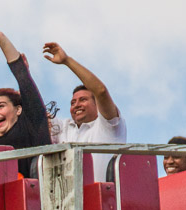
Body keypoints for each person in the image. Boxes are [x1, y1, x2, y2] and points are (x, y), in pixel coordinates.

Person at [0, 23, 52, 177]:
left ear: (18, 109)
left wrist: (1, 39)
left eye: (0, 106)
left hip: (31, 193)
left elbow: (23, 78)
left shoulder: (31, 126)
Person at [42, 41, 126, 181]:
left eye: (83, 100)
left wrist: (67, 61)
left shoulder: (109, 126)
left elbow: (101, 91)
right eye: (73, 102)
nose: (76, 105)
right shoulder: (64, 127)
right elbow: (36, 111)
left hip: (101, 199)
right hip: (65, 200)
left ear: (97, 105)